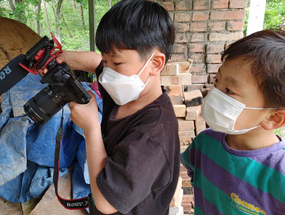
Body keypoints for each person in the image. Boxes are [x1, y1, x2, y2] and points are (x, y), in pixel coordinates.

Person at [53, 0, 180, 214]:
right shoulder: (126, 90)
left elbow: (106, 203)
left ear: (155, 63)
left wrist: (91, 128)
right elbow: (96, 62)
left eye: (117, 63)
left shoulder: (152, 134)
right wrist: (65, 58)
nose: (107, 73)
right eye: (106, 61)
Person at [181, 29, 285, 215]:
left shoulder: (280, 174)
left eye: (229, 90)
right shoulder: (204, 143)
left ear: (272, 117)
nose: (214, 94)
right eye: (217, 81)